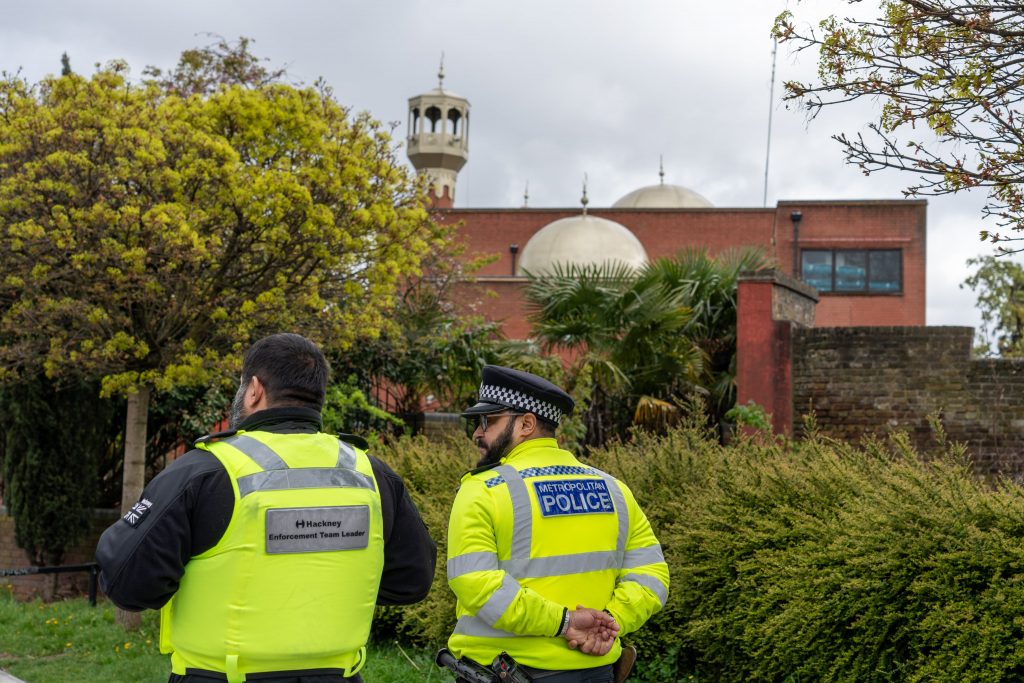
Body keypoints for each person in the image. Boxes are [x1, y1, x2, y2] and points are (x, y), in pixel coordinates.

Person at [96, 333, 436, 683]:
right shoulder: (372, 475)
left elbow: (128, 584)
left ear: (254, 389)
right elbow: (412, 580)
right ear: (317, 398)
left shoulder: (203, 471)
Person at [440, 365, 669, 682]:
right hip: (598, 671)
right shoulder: (614, 489)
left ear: (526, 424)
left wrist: (565, 623)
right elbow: (653, 575)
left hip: (511, 671)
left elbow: (476, 584)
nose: (478, 433)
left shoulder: (482, 490)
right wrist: (613, 620)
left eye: (488, 421)